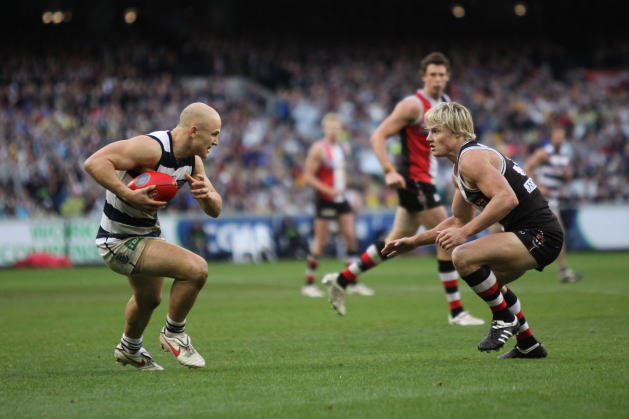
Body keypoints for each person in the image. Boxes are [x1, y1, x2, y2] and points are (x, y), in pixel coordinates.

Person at [380, 102, 564, 358]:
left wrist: (465, 234)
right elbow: (458, 220)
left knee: (462, 256)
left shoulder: (471, 158)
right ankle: (528, 344)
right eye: (428, 131)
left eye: (435, 131)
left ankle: (503, 318)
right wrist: (413, 241)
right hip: (529, 233)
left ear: (456, 132)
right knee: (490, 284)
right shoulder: (460, 169)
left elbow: (506, 199)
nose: (428, 138)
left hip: (539, 234)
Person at [322, 52, 483, 326]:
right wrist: (389, 170)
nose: (438, 79)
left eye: (442, 75)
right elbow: (378, 135)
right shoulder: (413, 105)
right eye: (433, 74)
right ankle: (456, 312)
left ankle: (343, 278)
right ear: (423, 76)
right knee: (449, 235)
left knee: (396, 243)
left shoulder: (444, 104)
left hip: (426, 181)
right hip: (414, 181)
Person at [84, 102, 223, 370]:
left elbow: (215, 209)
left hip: (146, 236)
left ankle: (129, 348)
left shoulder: (193, 162)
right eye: (214, 134)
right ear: (195, 130)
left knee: (149, 299)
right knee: (196, 269)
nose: (216, 141)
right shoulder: (152, 148)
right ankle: (174, 333)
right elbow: (94, 162)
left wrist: (209, 197)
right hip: (118, 240)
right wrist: (127, 193)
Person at [301, 113, 374, 298]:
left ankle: (351, 282)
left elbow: (340, 175)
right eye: (330, 128)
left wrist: (350, 193)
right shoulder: (319, 149)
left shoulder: (343, 148)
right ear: (325, 129)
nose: (334, 131)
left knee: (350, 238)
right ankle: (308, 284)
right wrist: (328, 189)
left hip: (341, 198)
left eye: (337, 128)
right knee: (321, 242)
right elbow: (307, 177)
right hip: (325, 199)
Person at [524, 124, 582, 283]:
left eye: (561, 136)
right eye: (556, 135)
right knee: (558, 233)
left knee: (550, 234)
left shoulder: (564, 156)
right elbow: (527, 168)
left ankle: (561, 269)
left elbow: (567, 177)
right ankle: (563, 271)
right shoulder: (544, 153)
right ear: (552, 137)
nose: (559, 138)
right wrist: (538, 187)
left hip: (554, 198)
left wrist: (566, 175)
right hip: (543, 200)